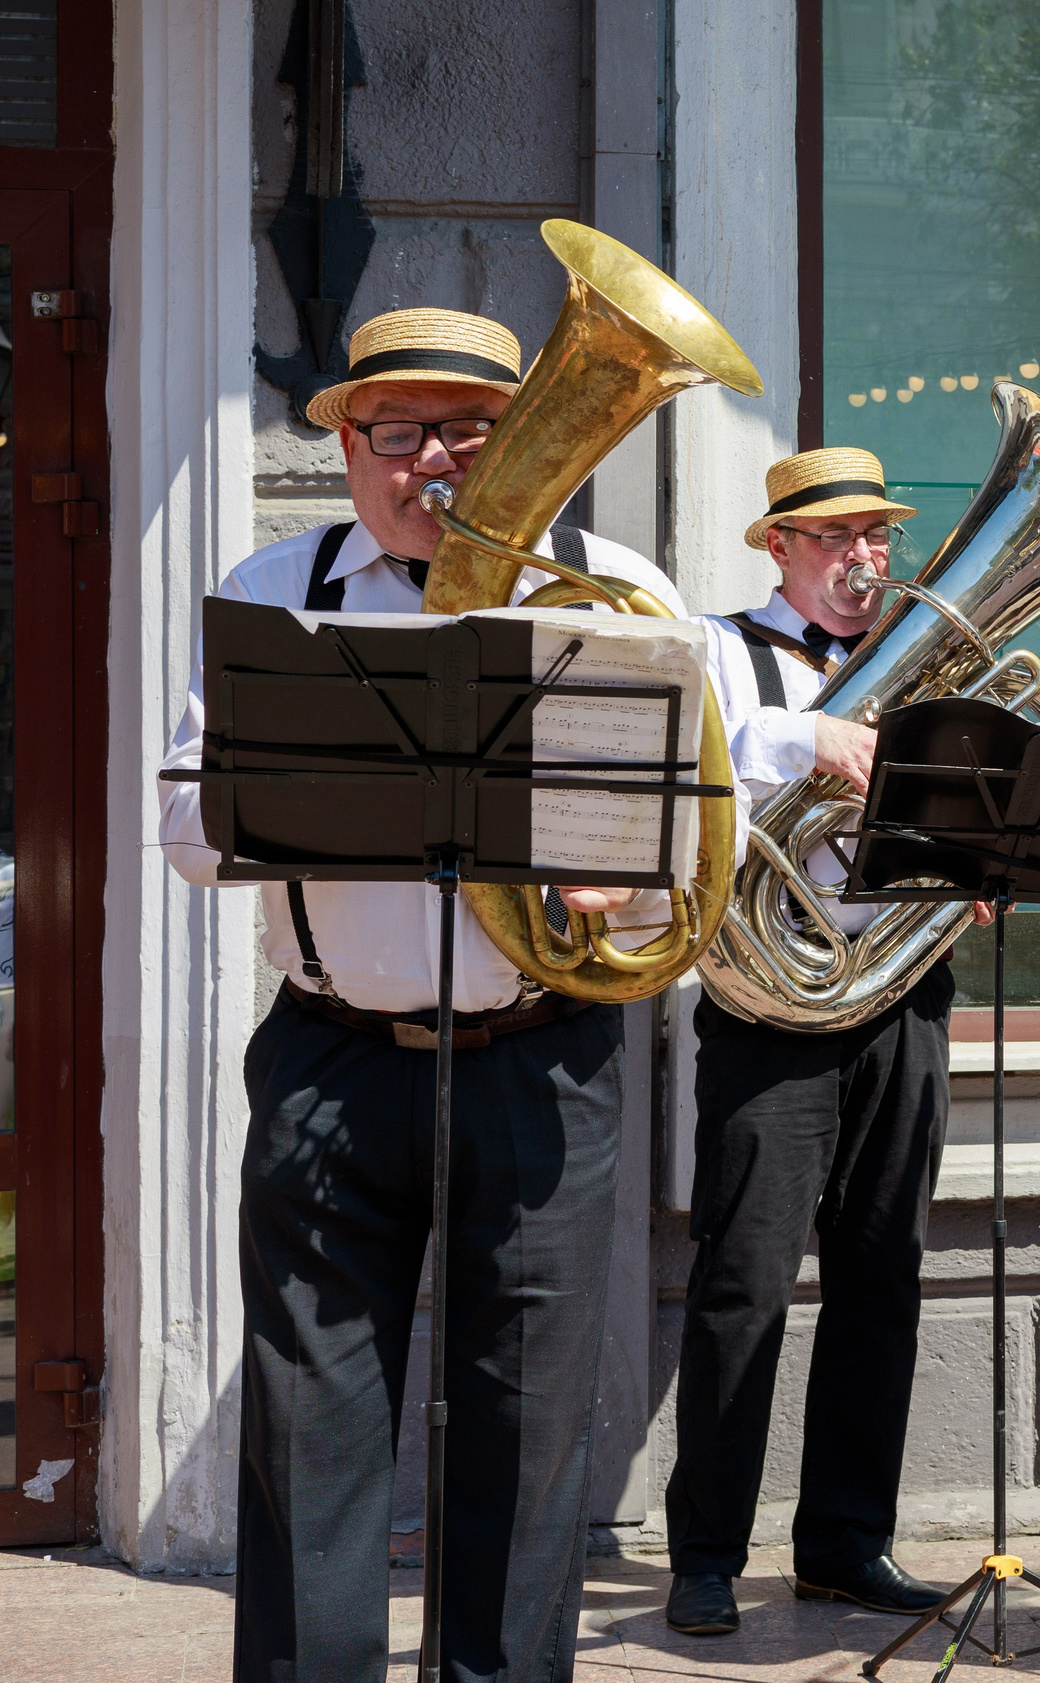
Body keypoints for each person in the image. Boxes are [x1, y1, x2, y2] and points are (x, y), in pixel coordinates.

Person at [157, 308, 684, 1679]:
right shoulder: (276, 587)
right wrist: (340, 800)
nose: (437, 460)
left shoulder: (612, 590)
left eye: (475, 429)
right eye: (400, 430)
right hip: (331, 1056)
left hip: (542, 1056)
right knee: (310, 1421)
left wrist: (609, 889)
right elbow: (185, 829)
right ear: (347, 446)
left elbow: (682, 854)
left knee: (525, 1421)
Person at [661, 447, 989, 1636]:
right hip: (768, 1013)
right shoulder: (716, 651)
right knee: (741, 1284)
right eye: (836, 538)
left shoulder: (930, 671)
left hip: (900, 998)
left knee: (881, 1277)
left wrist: (979, 863)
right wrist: (808, 742)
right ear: (780, 547)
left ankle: (848, 1543)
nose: (864, 560)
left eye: (877, 538)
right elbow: (685, 792)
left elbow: (969, 807)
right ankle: (704, 1553)